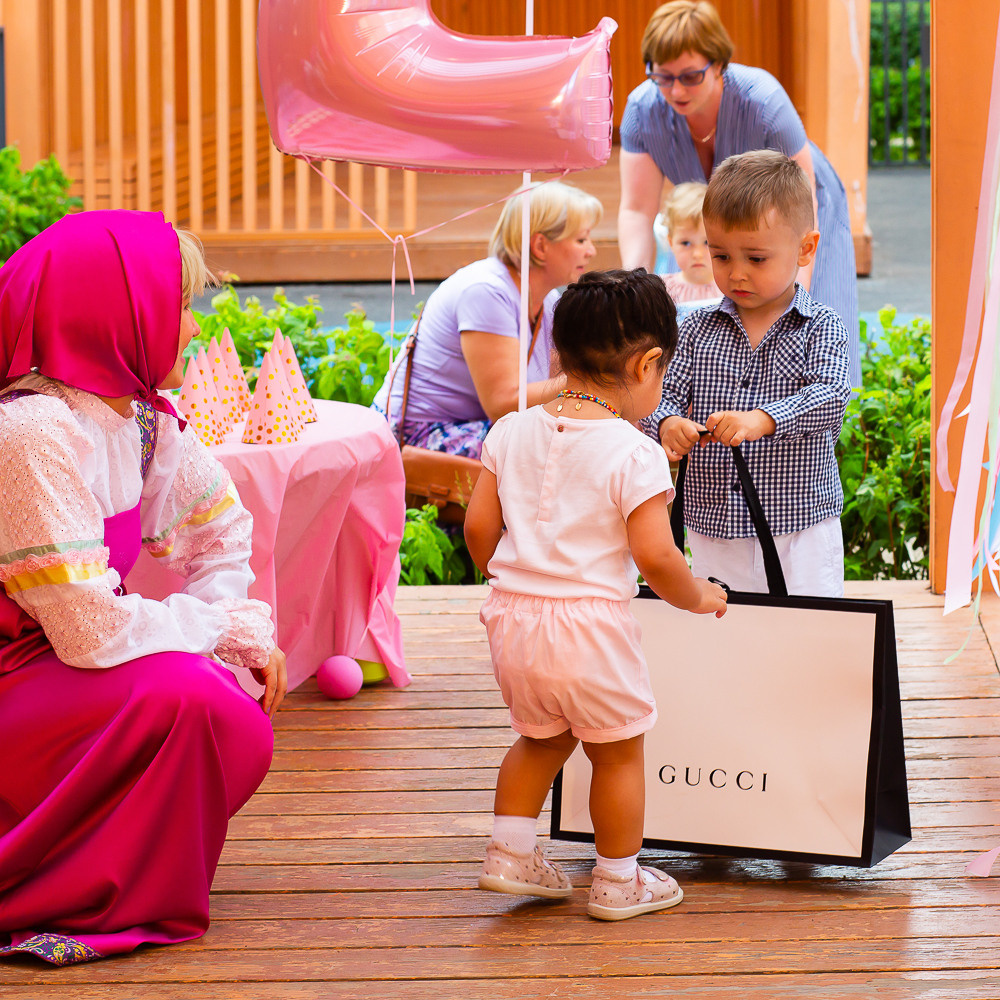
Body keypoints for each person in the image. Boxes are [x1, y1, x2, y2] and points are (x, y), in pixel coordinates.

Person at [0, 211, 287, 965]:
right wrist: (221, 631)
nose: (191, 328)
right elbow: (90, 632)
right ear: (115, 312)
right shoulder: (31, 432)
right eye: (179, 305)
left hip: (58, 665)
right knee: (195, 698)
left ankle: (100, 871)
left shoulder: (137, 421)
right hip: (15, 677)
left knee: (222, 707)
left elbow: (224, 530)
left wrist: (226, 618)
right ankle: (61, 881)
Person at [464, 269, 728, 921]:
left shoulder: (510, 431)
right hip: (591, 630)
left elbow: (477, 527)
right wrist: (697, 596)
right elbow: (656, 555)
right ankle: (617, 881)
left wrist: (511, 579)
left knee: (540, 740)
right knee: (617, 754)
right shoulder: (633, 452)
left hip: (514, 621)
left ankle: (510, 852)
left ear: (558, 354)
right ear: (648, 364)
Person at [617, 0, 861, 387]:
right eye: (662, 76)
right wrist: (634, 285)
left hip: (800, 203)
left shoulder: (763, 100)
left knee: (811, 323)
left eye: (691, 76)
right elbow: (636, 210)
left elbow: (805, 198)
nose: (676, 90)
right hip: (723, 226)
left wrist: (795, 299)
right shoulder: (641, 109)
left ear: (719, 64)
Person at [645, 150, 852, 597]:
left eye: (756, 259)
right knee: (724, 633)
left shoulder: (821, 325)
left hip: (801, 524)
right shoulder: (693, 328)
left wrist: (762, 419)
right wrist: (666, 423)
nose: (736, 273)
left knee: (807, 637)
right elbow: (655, 395)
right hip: (715, 524)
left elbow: (832, 395)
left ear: (805, 248)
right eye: (721, 256)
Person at [372, 180, 602, 459]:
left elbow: (553, 387)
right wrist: (589, 379)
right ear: (540, 246)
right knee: (549, 449)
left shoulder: (549, 301)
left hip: (476, 427)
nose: (591, 251)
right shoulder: (486, 292)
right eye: (581, 240)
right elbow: (503, 403)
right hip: (418, 434)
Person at [654, 181, 722, 306]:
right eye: (685, 243)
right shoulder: (662, 290)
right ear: (671, 242)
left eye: (707, 242)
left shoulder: (730, 289)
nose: (697, 254)